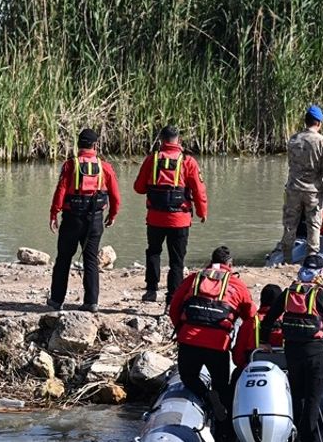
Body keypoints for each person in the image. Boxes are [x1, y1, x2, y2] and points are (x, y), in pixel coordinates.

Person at [168, 246, 254, 442]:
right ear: (230, 264)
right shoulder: (236, 284)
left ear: (210, 261)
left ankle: (206, 398)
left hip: (189, 340)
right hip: (218, 344)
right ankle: (225, 434)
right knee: (222, 386)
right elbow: (250, 315)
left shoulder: (194, 278)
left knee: (188, 377)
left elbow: (175, 306)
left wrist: (181, 328)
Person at [259, 254, 323, 442]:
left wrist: (264, 342)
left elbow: (268, 319)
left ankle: (291, 437)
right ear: (319, 274)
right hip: (316, 353)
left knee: (296, 395)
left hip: (293, 352)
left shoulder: (287, 294)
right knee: (313, 398)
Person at [47, 128, 120, 312]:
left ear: (79, 145)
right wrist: (112, 215)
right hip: (95, 220)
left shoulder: (70, 165)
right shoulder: (105, 167)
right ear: (95, 145)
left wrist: (53, 214)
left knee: (63, 259)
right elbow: (115, 196)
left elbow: (61, 191)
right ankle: (91, 302)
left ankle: (56, 301)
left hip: (72, 220)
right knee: (90, 259)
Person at [134, 125, 207, 303]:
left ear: (161, 140)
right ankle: (172, 299)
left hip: (155, 218)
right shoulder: (188, 161)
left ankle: (151, 290)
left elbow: (139, 188)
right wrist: (202, 211)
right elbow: (199, 190)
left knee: (153, 252)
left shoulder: (152, 160)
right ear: (178, 140)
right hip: (179, 220)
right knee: (177, 260)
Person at [279, 105, 323, 263]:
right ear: (318, 123)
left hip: (293, 188)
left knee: (290, 224)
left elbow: (291, 164)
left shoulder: (294, 139)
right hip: (313, 191)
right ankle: (311, 257)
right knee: (314, 224)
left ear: (306, 121)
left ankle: (286, 258)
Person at [231, 283, 284, 381]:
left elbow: (238, 358)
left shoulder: (250, 323)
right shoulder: (286, 323)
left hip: (252, 374)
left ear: (262, 300)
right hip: (282, 374)